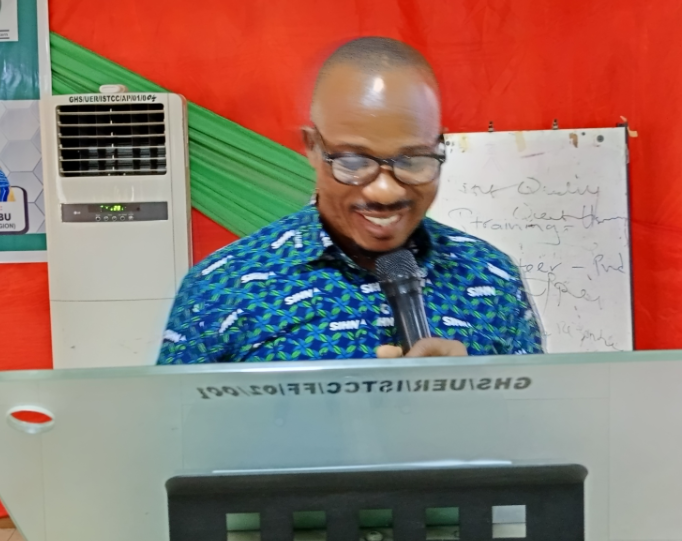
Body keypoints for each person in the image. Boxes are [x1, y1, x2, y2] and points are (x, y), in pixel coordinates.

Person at [158, 36, 543, 364]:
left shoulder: (491, 277)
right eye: (354, 162)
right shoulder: (221, 288)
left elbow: (537, 421)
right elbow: (173, 427)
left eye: (413, 159)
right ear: (312, 147)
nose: (385, 192)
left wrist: (477, 400)